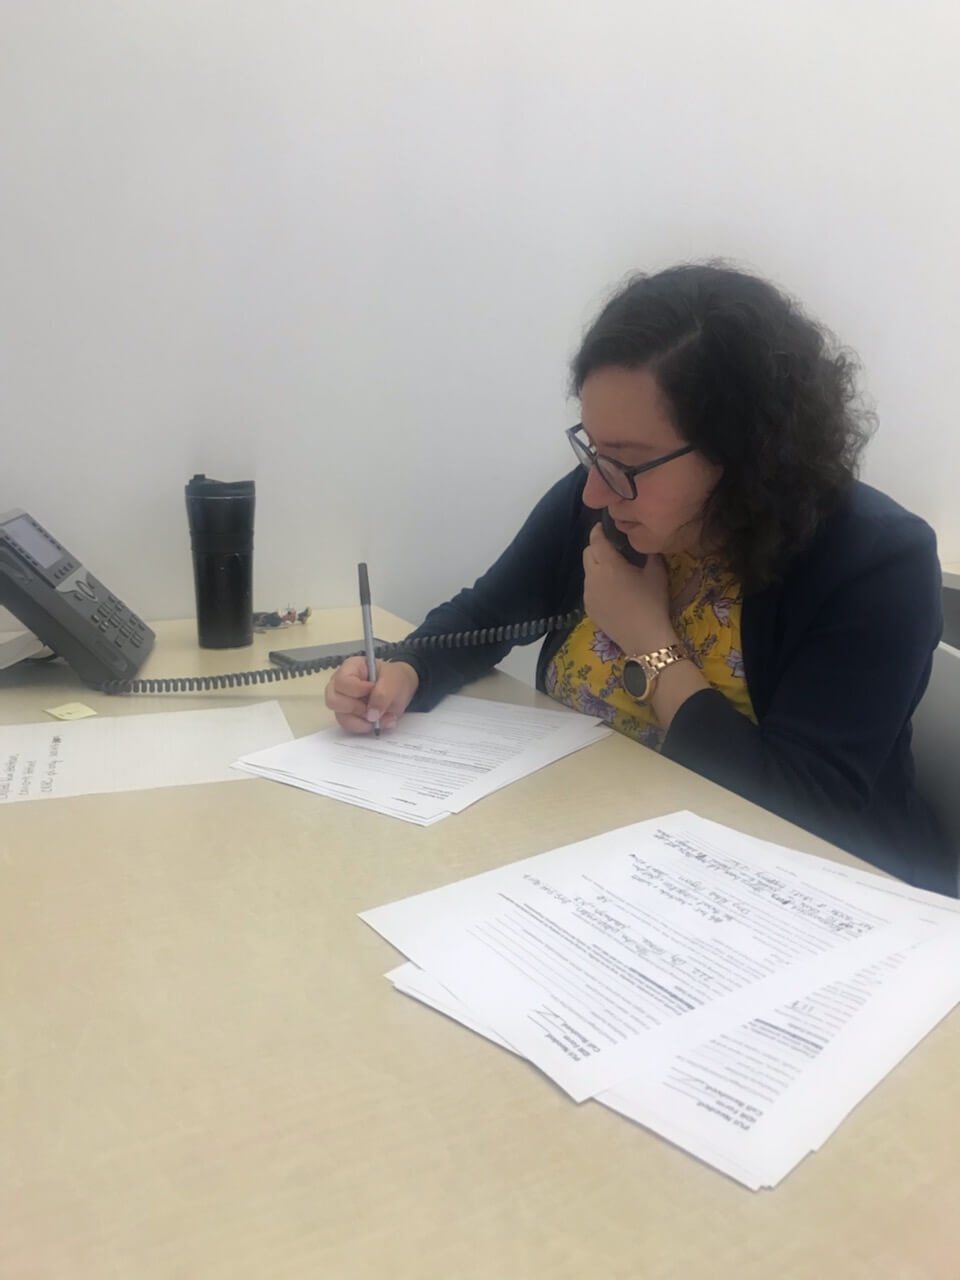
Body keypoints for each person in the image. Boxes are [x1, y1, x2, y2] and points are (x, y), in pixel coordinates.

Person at [325, 262, 951, 894]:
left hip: (799, 902)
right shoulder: (603, 498)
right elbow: (482, 616)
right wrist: (404, 670)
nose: (596, 488)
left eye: (627, 462)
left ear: (745, 454)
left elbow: (801, 813)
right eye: (592, 450)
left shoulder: (874, 561)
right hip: (591, 860)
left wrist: (648, 640)